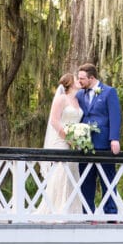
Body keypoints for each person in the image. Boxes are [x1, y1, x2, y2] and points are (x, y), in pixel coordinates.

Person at [75, 63, 122, 215]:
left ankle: (110, 214)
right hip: (84, 145)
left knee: (107, 181)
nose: (79, 81)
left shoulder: (109, 92)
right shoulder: (79, 94)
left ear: (92, 78)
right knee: (86, 182)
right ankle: (87, 213)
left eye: (82, 78)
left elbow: (115, 116)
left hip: (103, 144)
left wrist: (114, 139)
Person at [42, 72, 83, 214]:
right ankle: (56, 209)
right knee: (61, 173)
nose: (79, 81)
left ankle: (72, 210)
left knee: (73, 172)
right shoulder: (61, 99)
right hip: (62, 140)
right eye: (76, 79)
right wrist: (68, 137)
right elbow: (54, 120)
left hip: (75, 143)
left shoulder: (77, 101)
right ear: (70, 83)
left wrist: (78, 138)